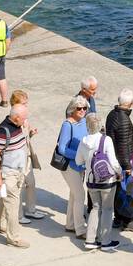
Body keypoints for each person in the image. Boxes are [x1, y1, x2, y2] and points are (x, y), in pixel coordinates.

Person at [76, 112, 121, 250]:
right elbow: (113, 162)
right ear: (100, 124)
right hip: (107, 181)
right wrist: (119, 173)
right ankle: (105, 241)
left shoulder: (83, 141)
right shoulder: (105, 140)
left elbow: (78, 161)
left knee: (95, 208)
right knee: (107, 209)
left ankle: (90, 240)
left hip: (91, 181)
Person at [0, 102, 32, 248]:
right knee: (13, 205)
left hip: (18, 171)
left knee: (6, 200)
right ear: (15, 118)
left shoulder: (18, 125)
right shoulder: (3, 131)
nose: (26, 119)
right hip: (9, 174)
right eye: (24, 117)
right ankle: (14, 238)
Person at [107, 89, 133, 234]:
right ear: (131, 103)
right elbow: (124, 146)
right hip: (124, 163)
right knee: (128, 192)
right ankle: (128, 220)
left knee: (118, 192)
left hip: (114, 160)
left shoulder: (112, 114)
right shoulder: (125, 121)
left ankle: (118, 218)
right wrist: (129, 166)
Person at [8, 89, 46, 223]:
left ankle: (31, 210)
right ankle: (18, 215)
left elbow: (24, 138)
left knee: (31, 183)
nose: (26, 106)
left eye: (26, 103)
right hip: (17, 160)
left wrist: (30, 134)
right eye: (24, 104)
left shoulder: (25, 119)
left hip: (27, 156)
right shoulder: (14, 120)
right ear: (15, 105)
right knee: (19, 187)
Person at [57, 97, 90, 239]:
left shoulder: (84, 122)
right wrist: (78, 155)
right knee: (80, 195)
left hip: (80, 166)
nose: (82, 111)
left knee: (74, 195)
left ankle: (70, 225)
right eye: (79, 108)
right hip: (70, 166)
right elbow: (62, 148)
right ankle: (80, 229)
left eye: (84, 108)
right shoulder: (67, 125)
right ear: (72, 109)